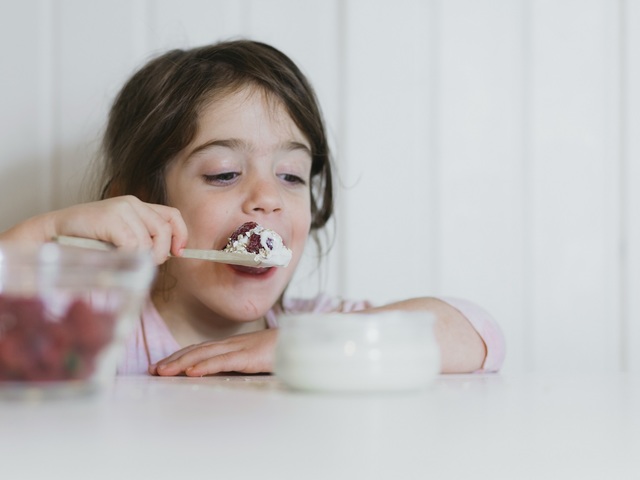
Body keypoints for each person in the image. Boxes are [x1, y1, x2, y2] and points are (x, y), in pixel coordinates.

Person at [0, 40, 505, 376]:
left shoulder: (317, 332)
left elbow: (478, 333)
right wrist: (41, 233)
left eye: (291, 176)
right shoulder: (98, 334)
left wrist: (295, 350)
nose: (268, 198)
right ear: (142, 202)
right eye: (224, 173)